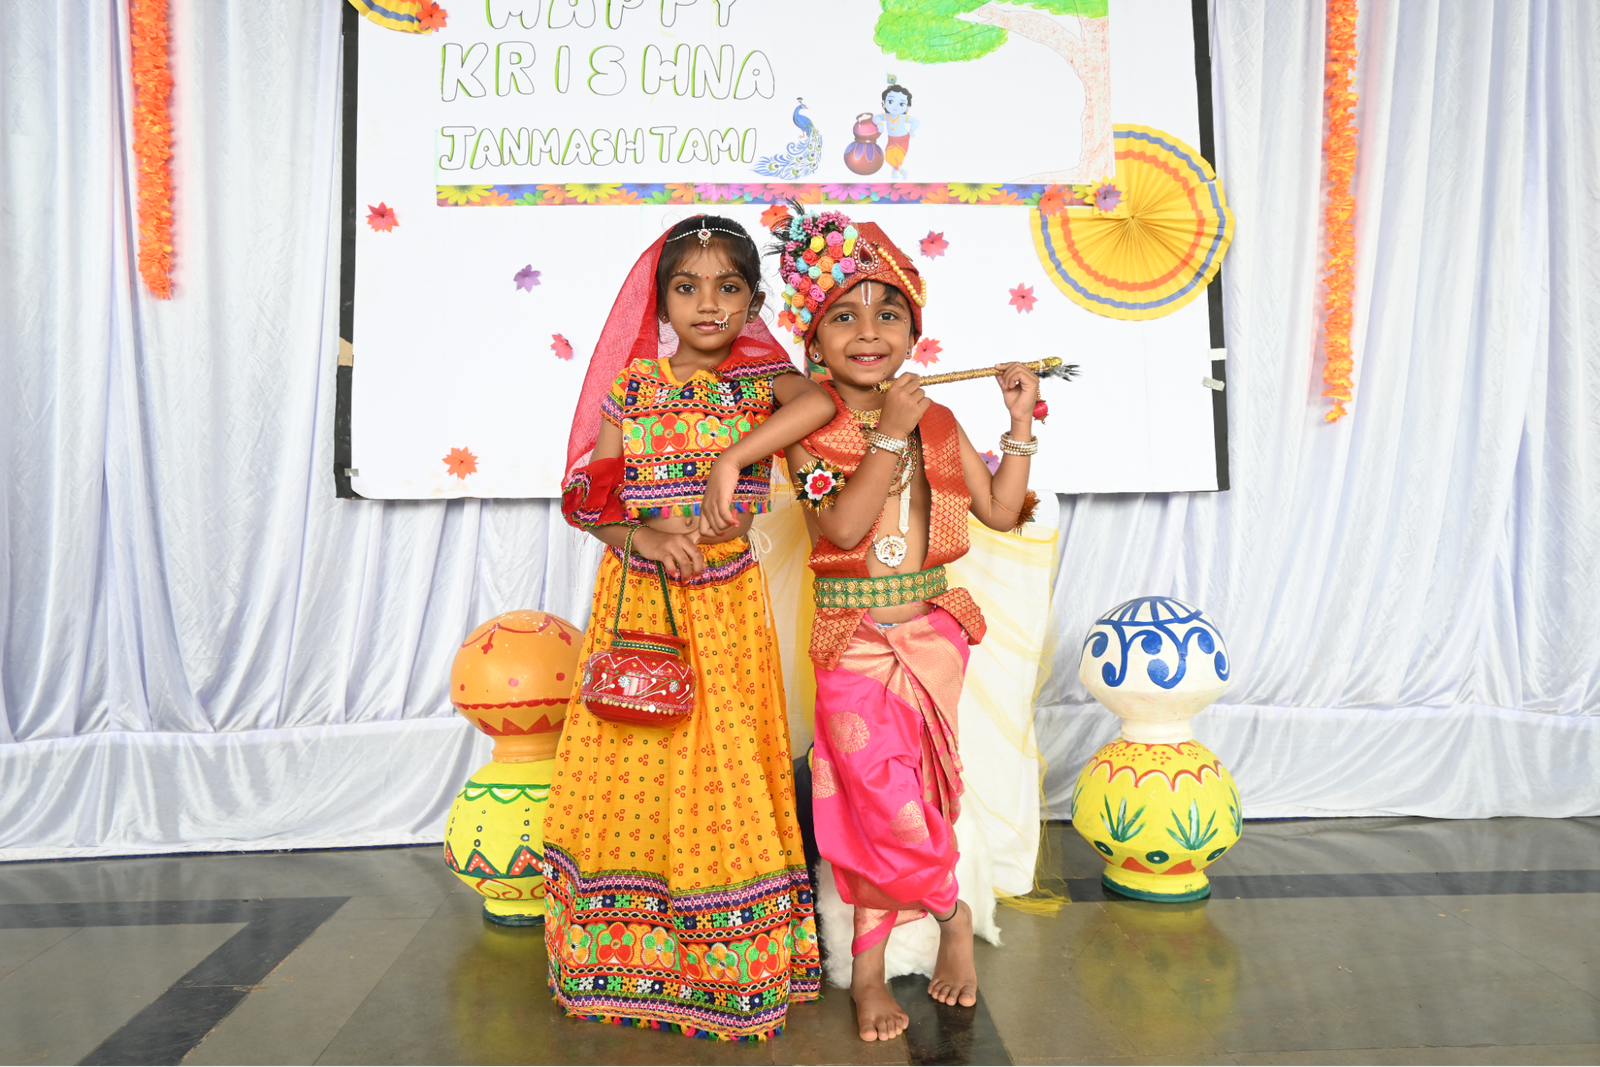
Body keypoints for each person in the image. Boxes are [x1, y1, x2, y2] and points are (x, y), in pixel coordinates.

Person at [751, 207, 1039, 1041]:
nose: (869, 332)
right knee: (870, 802)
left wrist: (1019, 423)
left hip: (933, 639)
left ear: (915, 332)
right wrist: (886, 435)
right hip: (851, 644)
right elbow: (842, 529)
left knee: (916, 797)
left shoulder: (937, 421)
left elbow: (1000, 511)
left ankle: (884, 959)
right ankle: (943, 919)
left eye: (888, 314)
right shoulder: (809, 428)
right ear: (814, 337)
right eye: (844, 315)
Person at [546, 215, 837, 1041]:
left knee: (722, 760)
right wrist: (639, 536)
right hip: (639, 599)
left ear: (753, 302)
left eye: (728, 286)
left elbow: (820, 402)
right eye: (687, 287)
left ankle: (725, 964)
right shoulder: (633, 388)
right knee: (634, 755)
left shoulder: (762, 383)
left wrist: (732, 458)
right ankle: (626, 957)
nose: (708, 304)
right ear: (662, 302)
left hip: (725, 605)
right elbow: (587, 500)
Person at [874, 78, 919, 180]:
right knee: (888, 157)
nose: (895, 106)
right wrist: (880, 124)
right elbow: (876, 117)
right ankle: (903, 172)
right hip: (892, 140)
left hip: (903, 139)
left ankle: (895, 174)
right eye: (890, 101)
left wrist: (912, 131)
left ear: (907, 107)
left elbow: (915, 122)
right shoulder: (887, 116)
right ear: (884, 102)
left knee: (898, 158)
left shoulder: (902, 117)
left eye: (901, 104)